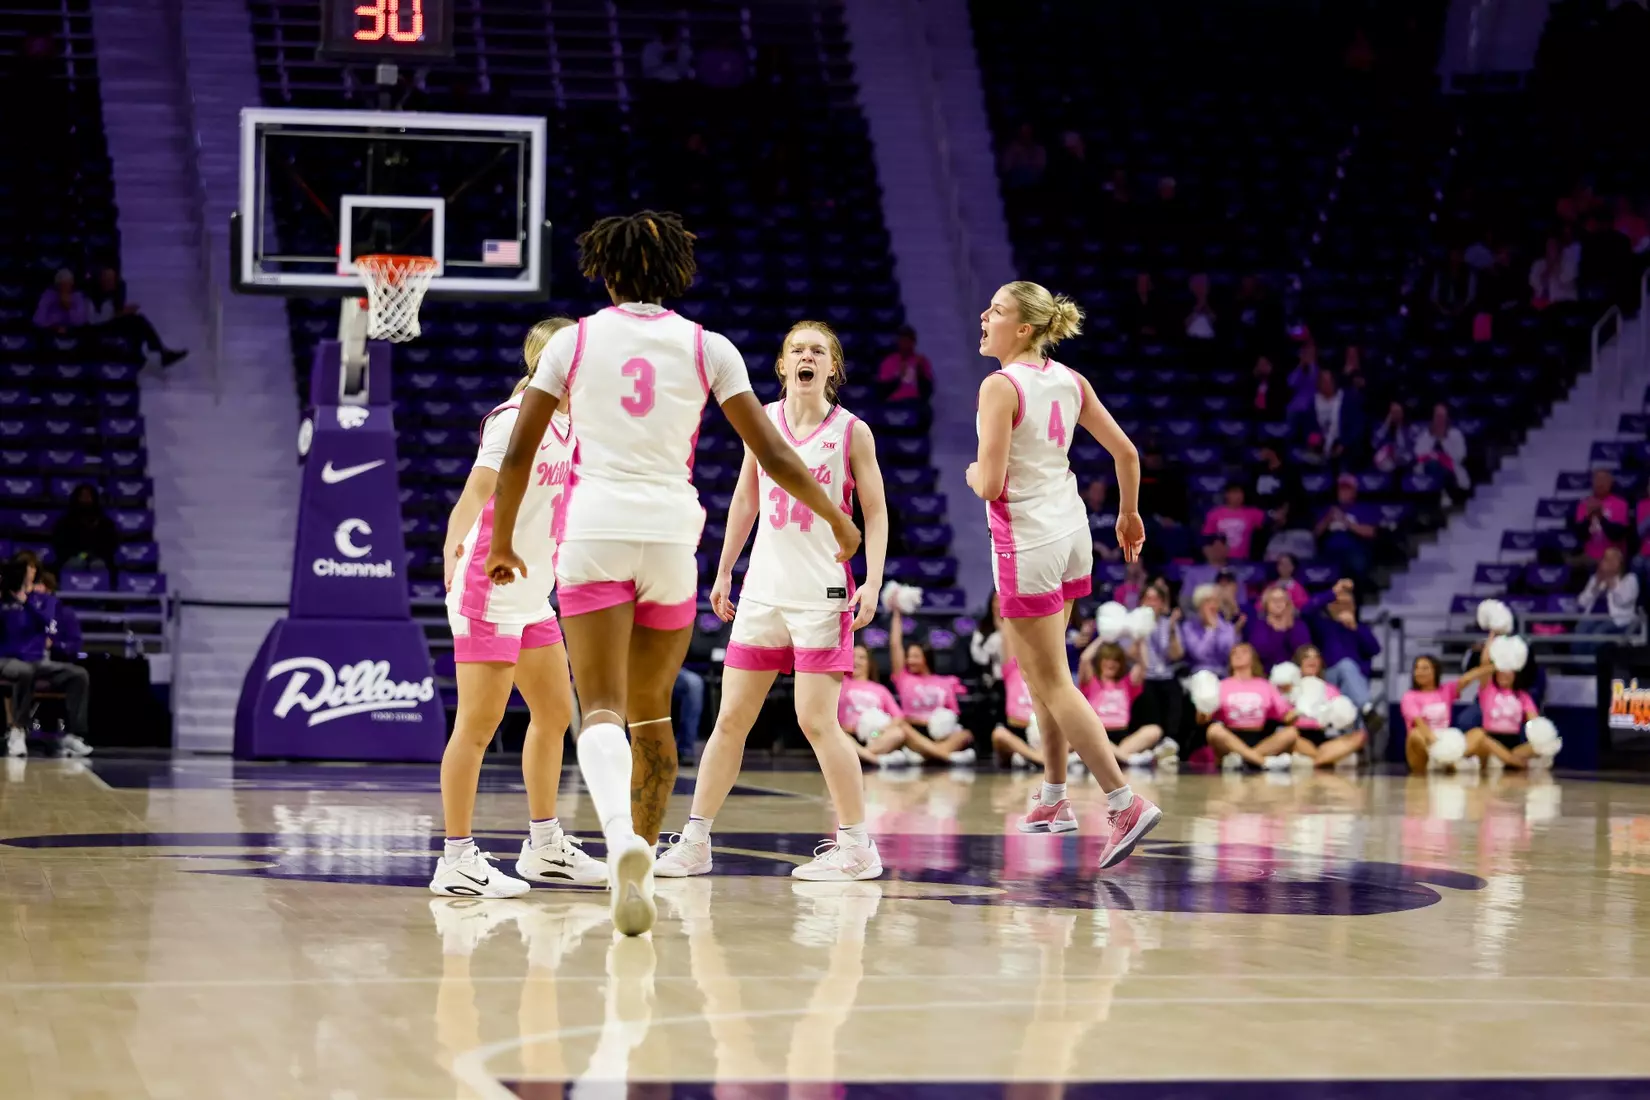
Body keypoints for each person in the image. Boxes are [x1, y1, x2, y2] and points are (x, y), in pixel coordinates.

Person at [485, 212, 860, 936]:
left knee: (600, 707)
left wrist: (502, 540)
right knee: (653, 711)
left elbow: (520, 453)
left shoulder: (572, 341)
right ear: (677, 275)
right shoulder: (708, 347)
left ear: (608, 273)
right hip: (669, 534)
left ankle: (618, 839)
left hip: (594, 530)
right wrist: (834, 517)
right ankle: (646, 855)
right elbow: (774, 453)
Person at [657, 321, 889, 882]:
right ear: (783, 365)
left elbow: (876, 512)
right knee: (730, 719)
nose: (807, 357)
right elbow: (746, 497)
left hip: (822, 593)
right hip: (762, 591)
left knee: (817, 721)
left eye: (818, 351)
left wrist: (874, 581)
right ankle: (695, 841)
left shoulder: (852, 431)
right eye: (797, 350)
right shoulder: (761, 421)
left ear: (831, 367)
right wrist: (724, 569)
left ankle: (857, 846)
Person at [967, 280, 1160, 868]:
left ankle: (1123, 801)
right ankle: (1053, 797)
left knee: (1051, 680)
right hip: (1072, 535)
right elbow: (1127, 454)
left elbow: (990, 484)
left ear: (1023, 328)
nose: (984, 316)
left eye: (996, 310)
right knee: (1043, 673)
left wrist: (971, 472)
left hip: (1026, 541)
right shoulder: (1071, 380)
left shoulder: (1000, 386)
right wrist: (1128, 514)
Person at [430, 318, 607, 899]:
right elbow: (476, 492)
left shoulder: (572, 423)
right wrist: (452, 549)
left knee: (555, 713)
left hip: (532, 594)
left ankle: (544, 846)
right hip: (490, 587)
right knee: (477, 727)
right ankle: (456, 859)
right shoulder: (513, 420)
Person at [1, 555, 91, 758]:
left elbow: (47, 623)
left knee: (78, 675)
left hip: (37, 660)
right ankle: (17, 731)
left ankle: (73, 735)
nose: (28, 571)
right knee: (24, 671)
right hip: (7, 659)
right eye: (24, 567)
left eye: (31, 567)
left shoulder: (45, 600)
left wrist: (26, 602)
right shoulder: (4, 598)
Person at [886, 606, 976, 762]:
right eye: (908, 657)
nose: (910, 661)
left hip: (940, 732)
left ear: (926, 658)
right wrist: (897, 614)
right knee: (902, 728)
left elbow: (953, 713)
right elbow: (895, 645)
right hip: (915, 730)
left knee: (966, 734)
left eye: (915, 656)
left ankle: (927, 754)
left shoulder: (945, 682)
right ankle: (947, 756)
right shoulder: (904, 678)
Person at [1199, 643, 1300, 771]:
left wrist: (1301, 709)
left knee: (1291, 733)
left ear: (1253, 658)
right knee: (1214, 730)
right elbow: (1202, 719)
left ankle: (1243, 759)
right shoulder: (1221, 685)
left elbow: (1286, 717)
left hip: (1259, 737)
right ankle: (1263, 761)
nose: (1238, 655)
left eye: (1244, 652)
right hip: (1231, 737)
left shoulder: (1266, 685)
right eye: (1234, 653)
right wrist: (1202, 706)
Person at [1077, 638, 1170, 767]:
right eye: (1107, 659)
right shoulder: (1091, 681)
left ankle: (1112, 756)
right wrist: (1103, 637)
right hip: (1097, 732)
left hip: (1122, 736)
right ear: (1100, 661)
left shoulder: (1127, 683)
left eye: (1116, 660)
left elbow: (1143, 665)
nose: (1111, 663)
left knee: (1154, 730)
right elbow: (1085, 659)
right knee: (1083, 733)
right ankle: (1127, 758)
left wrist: (1140, 640)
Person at [837, 644, 926, 765]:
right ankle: (876, 759)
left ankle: (863, 755)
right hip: (849, 733)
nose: (856, 661)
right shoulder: (840, 683)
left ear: (869, 663)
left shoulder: (880, 689)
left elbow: (898, 717)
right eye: (852, 656)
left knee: (898, 733)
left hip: (874, 736)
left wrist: (880, 731)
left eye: (861, 657)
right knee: (839, 735)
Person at [1401, 654, 1488, 773]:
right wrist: (1439, 747)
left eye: (1425, 668)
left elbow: (1467, 679)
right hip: (1426, 746)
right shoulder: (1409, 696)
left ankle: (1450, 760)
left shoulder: (1446, 690)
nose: (1419, 672)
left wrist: (1494, 667)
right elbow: (1419, 723)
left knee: (1478, 733)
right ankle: (1448, 762)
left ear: (1435, 671)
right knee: (1415, 735)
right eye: (1416, 668)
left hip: (1446, 741)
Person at [86, 266, 186, 366]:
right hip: (98, 330)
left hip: (109, 323)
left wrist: (123, 312)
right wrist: (120, 313)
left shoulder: (111, 294)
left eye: (112, 279)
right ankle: (155, 353)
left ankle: (155, 352)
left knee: (137, 321)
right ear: (101, 279)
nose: (111, 283)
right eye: (108, 280)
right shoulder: (93, 298)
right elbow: (96, 320)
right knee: (137, 322)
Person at [1286, 645, 1366, 768]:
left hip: (1324, 735)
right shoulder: (1289, 688)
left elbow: (1341, 719)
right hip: (1299, 735)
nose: (1312, 660)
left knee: (1360, 735)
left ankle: (1317, 760)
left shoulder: (1330, 689)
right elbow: (1284, 718)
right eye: (1306, 657)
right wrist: (1299, 712)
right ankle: (1326, 759)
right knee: (1288, 737)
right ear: (1298, 662)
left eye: (1316, 657)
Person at [52, 484, 120, 576]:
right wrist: (81, 555)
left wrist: (94, 554)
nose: (85, 499)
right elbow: (60, 543)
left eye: (88, 496)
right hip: (73, 557)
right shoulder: (65, 522)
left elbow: (111, 543)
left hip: (98, 557)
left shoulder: (104, 522)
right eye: (83, 496)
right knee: (74, 563)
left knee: (98, 565)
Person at [1245, 585, 1312, 671]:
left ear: (1288, 603)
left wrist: (1288, 627)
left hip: (1295, 672)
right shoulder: (1259, 626)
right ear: (1266, 604)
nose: (1278, 603)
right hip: (1266, 673)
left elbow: (1303, 652)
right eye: (1273, 600)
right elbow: (1261, 652)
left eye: (1282, 599)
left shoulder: (1298, 625)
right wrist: (1279, 632)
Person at [1181, 583, 1236, 677]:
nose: (1212, 605)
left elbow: (1228, 653)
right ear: (1199, 605)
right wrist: (1211, 630)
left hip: (1223, 674)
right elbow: (1199, 655)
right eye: (1208, 602)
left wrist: (1217, 627)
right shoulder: (1189, 627)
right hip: (1199, 674)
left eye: (1215, 601)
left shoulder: (1227, 627)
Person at [1202, 483, 1266, 560]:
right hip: (1220, 559)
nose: (1239, 496)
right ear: (1227, 494)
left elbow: (1271, 521)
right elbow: (1206, 539)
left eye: (1241, 493)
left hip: (1242, 560)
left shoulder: (1253, 513)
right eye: (1235, 492)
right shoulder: (1214, 514)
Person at [876, 324, 933, 403]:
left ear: (914, 342)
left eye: (908, 341)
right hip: (894, 403)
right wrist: (898, 377)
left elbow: (927, 391)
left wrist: (920, 373)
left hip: (915, 403)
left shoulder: (921, 361)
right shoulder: (889, 361)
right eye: (902, 341)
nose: (905, 344)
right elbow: (881, 391)